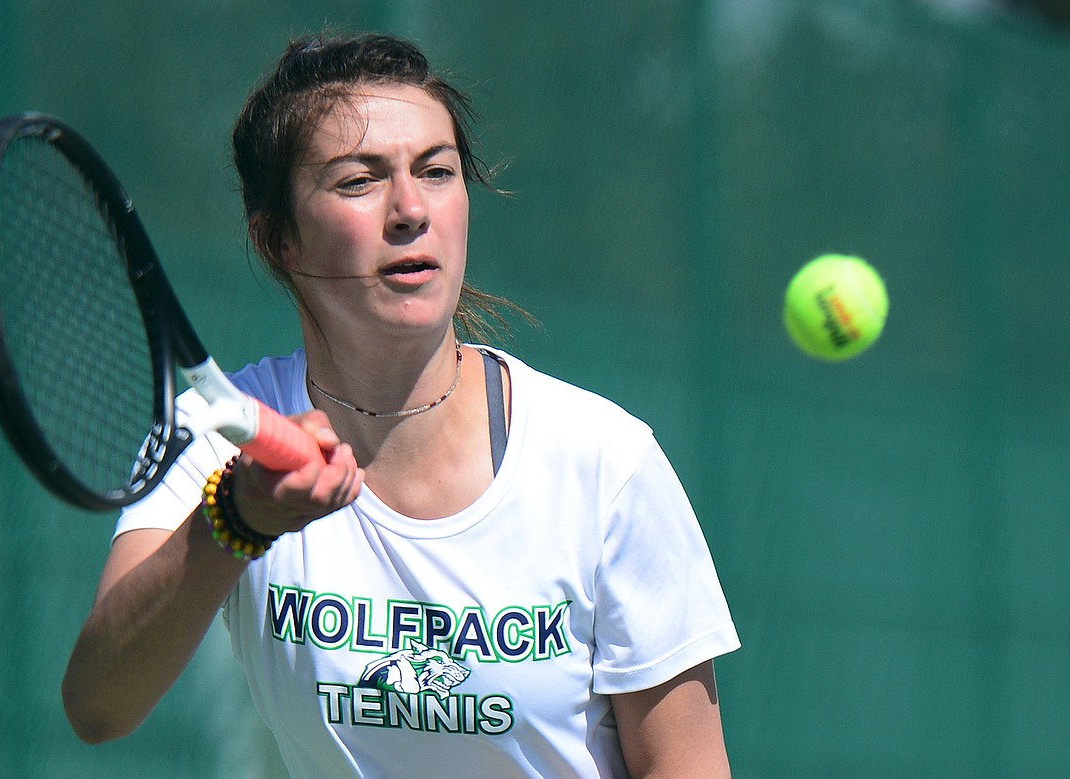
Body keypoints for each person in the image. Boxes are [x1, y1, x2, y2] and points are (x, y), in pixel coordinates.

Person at [61, 32, 741, 778]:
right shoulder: (222, 435)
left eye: (438, 172)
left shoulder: (606, 462)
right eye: (358, 181)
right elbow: (100, 704)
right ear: (278, 236)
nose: (411, 209)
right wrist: (238, 521)